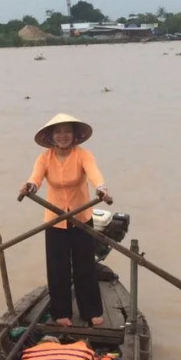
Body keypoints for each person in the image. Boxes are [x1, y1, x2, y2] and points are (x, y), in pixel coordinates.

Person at [17, 113, 112, 327]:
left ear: (74, 135)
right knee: (57, 267)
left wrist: (101, 188)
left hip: (81, 218)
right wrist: (29, 187)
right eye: (58, 132)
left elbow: (94, 174)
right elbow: (35, 178)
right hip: (55, 220)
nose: (63, 136)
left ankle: (91, 310)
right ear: (51, 136)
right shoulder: (44, 158)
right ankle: (61, 312)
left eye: (67, 131)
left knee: (84, 264)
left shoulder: (83, 155)